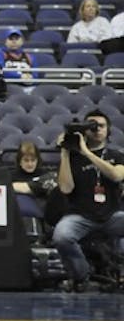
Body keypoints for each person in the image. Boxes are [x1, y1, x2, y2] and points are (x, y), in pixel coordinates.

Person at [52, 110, 124, 292]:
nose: (97, 129)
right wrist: (66, 153)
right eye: (92, 126)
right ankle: (81, 276)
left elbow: (116, 176)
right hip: (80, 215)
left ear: (108, 131)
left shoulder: (116, 155)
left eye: (101, 126)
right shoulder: (73, 158)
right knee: (62, 236)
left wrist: (86, 152)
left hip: (112, 214)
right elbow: (65, 188)